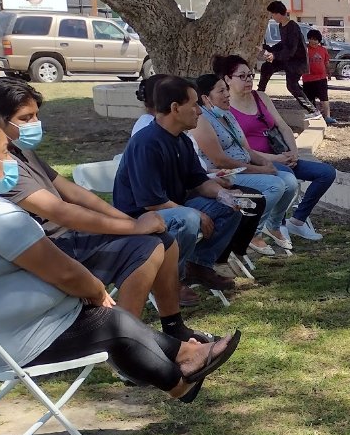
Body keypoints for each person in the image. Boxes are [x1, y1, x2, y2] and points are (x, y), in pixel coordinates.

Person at [0, 112, 242, 403]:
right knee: (111, 320)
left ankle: (185, 355)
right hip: (7, 343)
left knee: (105, 317)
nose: (10, 162)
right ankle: (181, 382)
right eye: (4, 153)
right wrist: (96, 292)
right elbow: (67, 275)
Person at [0, 77, 213, 342]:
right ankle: (126, 346)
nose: (35, 124)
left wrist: (128, 221)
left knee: (164, 241)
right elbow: (62, 213)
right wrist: (134, 227)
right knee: (148, 248)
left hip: (68, 240)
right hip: (52, 248)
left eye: (36, 116)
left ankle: (173, 327)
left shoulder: (18, 148)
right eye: (26, 117)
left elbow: (74, 192)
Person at [112, 75, 244, 291]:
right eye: (194, 105)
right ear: (175, 108)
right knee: (189, 218)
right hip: (140, 217)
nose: (200, 111)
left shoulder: (181, 139)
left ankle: (199, 266)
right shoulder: (146, 143)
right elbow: (152, 203)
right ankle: (169, 280)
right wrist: (197, 214)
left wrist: (223, 194)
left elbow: (199, 181)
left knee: (230, 208)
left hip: (174, 209)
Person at [221, 54, 334, 246]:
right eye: (242, 76)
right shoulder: (225, 108)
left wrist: (293, 152)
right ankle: (276, 224)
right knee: (287, 177)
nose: (248, 80)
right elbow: (243, 149)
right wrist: (278, 159)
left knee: (326, 173)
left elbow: (282, 125)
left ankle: (297, 220)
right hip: (258, 161)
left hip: (281, 155)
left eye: (250, 75)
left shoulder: (261, 97)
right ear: (227, 79)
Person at [192, 70, 300, 257]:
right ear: (206, 98)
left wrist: (267, 164)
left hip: (246, 167)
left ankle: (271, 226)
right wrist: (262, 170)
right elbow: (220, 160)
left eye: (226, 89)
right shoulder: (202, 120)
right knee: (275, 185)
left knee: (290, 182)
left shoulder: (227, 115)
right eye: (221, 91)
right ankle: (249, 233)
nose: (227, 94)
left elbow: (247, 150)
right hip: (227, 174)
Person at [259, 1, 322, 120]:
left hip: (296, 62)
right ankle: (260, 94)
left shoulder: (292, 26)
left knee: (292, 85)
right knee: (267, 67)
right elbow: (283, 44)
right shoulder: (281, 25)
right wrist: (269, 49)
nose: (272, 17)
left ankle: (313, 110)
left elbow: (291, 49)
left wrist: (275, 56)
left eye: (272, 14)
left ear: (278, 14)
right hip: (287, 59)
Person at [304, 29, 336, 125]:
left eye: (316, 39)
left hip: (321, 78)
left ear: (319, 41)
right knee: (309, 99)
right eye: (311, 39)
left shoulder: (323, 50)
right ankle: (312, 114)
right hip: (308, 79)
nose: (313, 41)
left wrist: (329, 73)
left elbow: (326, 62)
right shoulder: (305, 50)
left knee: (324, 98)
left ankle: (327, 117)